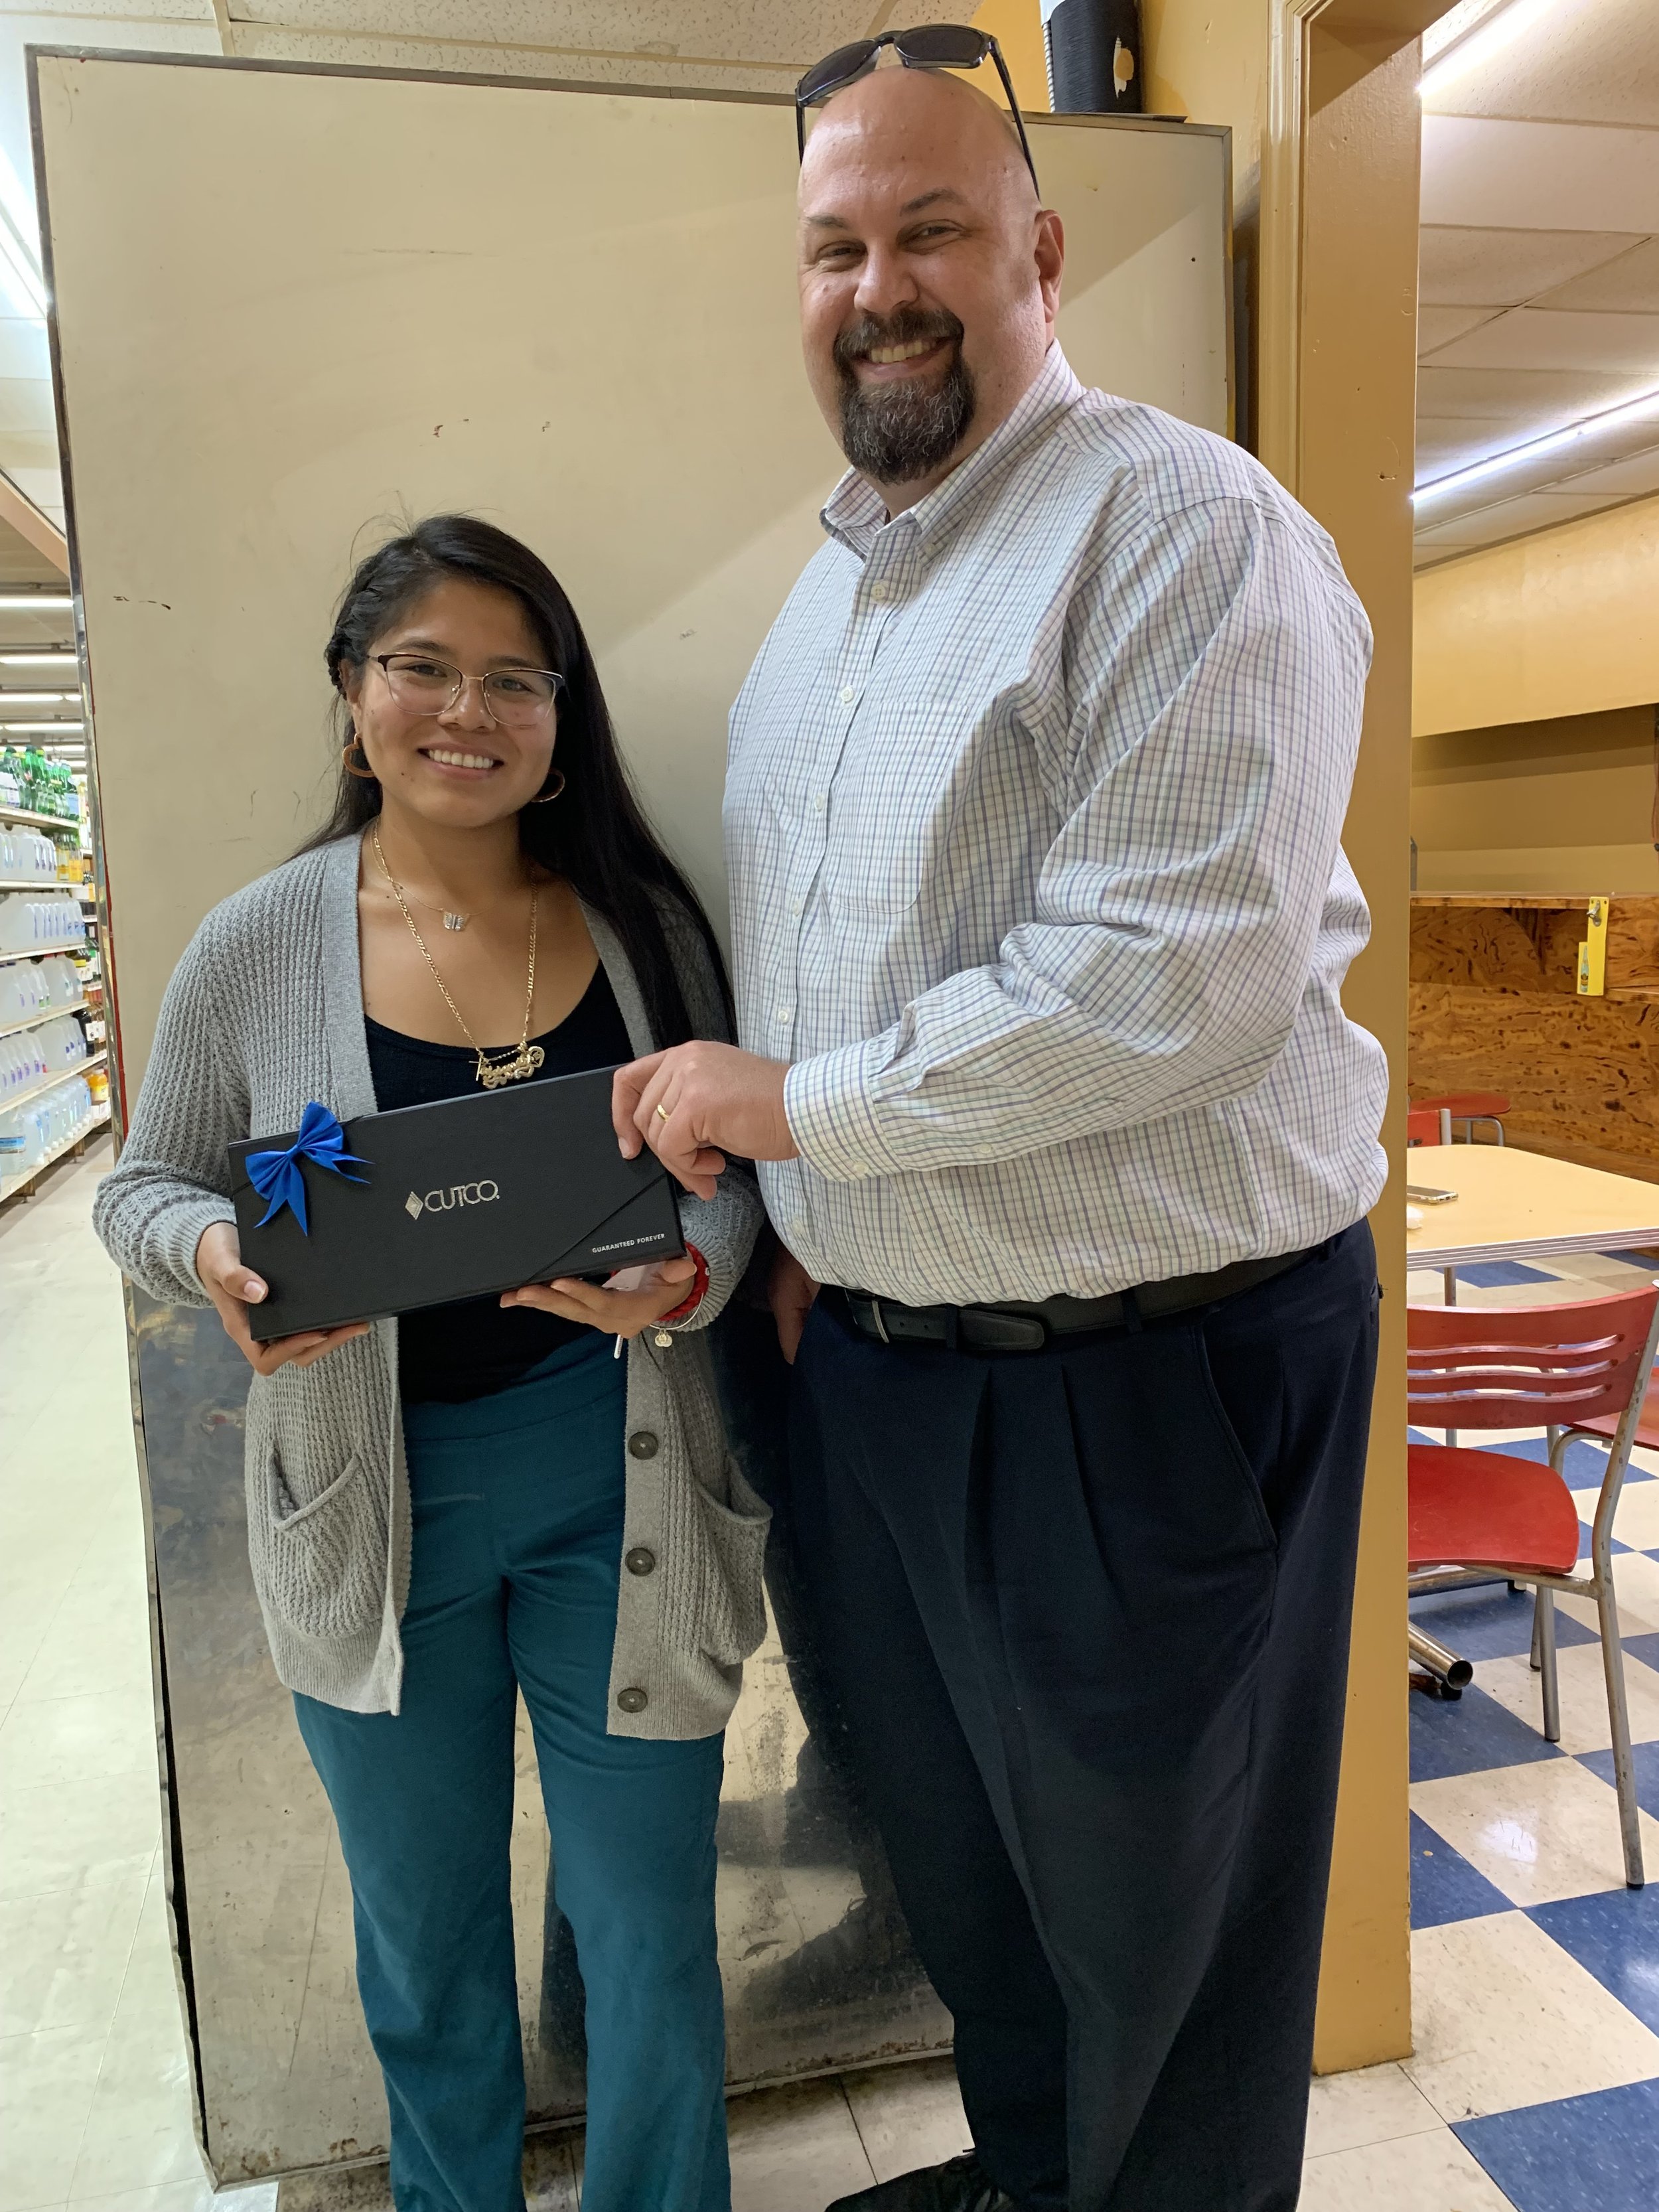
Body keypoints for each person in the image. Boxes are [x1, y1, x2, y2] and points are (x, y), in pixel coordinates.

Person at [612, 54, 1387, 2212]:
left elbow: (1163, 978)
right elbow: (820, 979)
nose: (884, 286)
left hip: (1151, 1372)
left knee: (1171, 1944)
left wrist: (795, 1112)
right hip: (879, 1379)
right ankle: (1047, 2180)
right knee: (979, 1900)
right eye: (839, 245)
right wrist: (773, 1231)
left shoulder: (1183, 529)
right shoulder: (826, 619)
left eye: (932, 228)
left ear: (1039, 252)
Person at [94, 516, 768, 2212]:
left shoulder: (641, 929)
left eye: (514, 679)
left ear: (561, 713)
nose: (465, 711)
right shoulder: (261, 940)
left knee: (646, 1942)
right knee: (429, 1948)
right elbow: (142, 1182)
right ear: (350, 692)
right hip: (367, 1510)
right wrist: (211, 1256)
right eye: (421, 668)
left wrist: (687, 1282)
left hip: (620, 1485)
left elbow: (749, 1181)